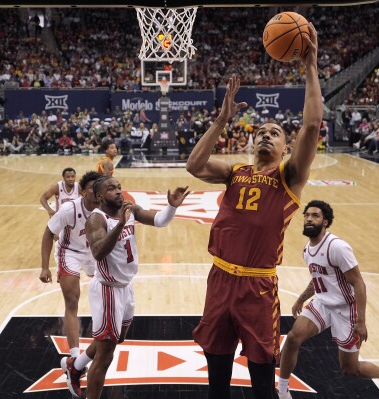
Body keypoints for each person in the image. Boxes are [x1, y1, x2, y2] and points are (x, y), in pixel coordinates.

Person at [186, 23, 321, 399]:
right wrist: (221, 120)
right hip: (220, 279)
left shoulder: (289, 177)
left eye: (275, 132)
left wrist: (310, 65)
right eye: (260, 130)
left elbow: (311, 125)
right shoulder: (234, 172)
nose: (265, 134)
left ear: (284, 147)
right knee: (217, 378)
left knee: (262, 381)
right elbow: (194, 166)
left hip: (258, 287)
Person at [61, 176, 189, 398]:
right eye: (111, 189)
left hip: (126, 288)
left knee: (111, 341)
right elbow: (98, 252)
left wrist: (171, 206)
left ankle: (76, 365)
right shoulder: (96, 219)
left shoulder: (130, 208)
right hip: (107, 290)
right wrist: (120, 224)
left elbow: (159, 221)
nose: (119, 192)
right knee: (105, 355)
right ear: (100, 196)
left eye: (119, 187)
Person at [277, 200, 379, 398]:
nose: (309, 219)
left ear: (325, 222)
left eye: (315, 216)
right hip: (322, 304)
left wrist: (361, 321)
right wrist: (301, 299)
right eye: (307, 215)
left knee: (350, 369)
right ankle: (283, 391)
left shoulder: (337, 248)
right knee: (293, 337)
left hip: (346, 309)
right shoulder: (307, 250)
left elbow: (358, 283)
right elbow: (319, 279)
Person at [38, 171, 103, 394]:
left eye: (99, 190)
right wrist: (45, 266)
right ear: (83, 191)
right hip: (70, 253)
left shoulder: (105, 207)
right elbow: (48, 233)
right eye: (92, 190)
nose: (96, 194)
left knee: (105, 299)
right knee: (72, 301)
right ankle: (75, 358)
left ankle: (76, 361)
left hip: (95, 253)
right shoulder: (69, 209)